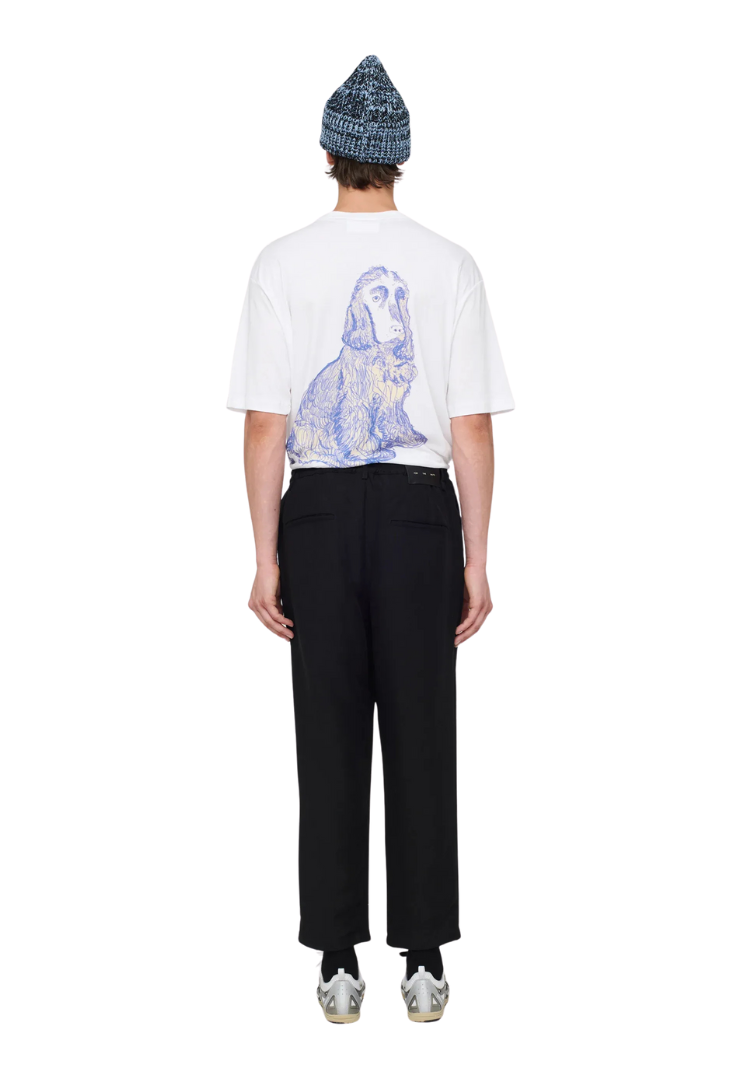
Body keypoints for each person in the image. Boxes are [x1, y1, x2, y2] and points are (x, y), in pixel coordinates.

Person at [227, 55, 514, 1024]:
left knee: (329, 735)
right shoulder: (450, 264)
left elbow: (265, 424)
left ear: (327, 153)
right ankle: (423, 958)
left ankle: (338, 960)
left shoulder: (280, 263)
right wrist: (476, 556)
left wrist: (266, 554)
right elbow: (470, 426)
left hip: (313, 510)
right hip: (418, 513)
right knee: (423, 731)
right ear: (400, 157)